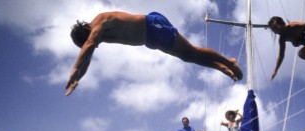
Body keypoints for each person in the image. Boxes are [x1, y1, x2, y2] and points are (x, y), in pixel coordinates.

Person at [65, 11, 243, 96]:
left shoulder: (99, 23)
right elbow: (88, 54)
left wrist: (74, 69)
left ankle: (229, 62)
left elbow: (88, 47)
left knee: (191, 51)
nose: (95, 46)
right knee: (188, 57)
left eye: (89, 43)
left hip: (153, 27)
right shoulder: (97, 36)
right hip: (150, 39)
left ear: (86, 34)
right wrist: (78, 77)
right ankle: (221, 66)